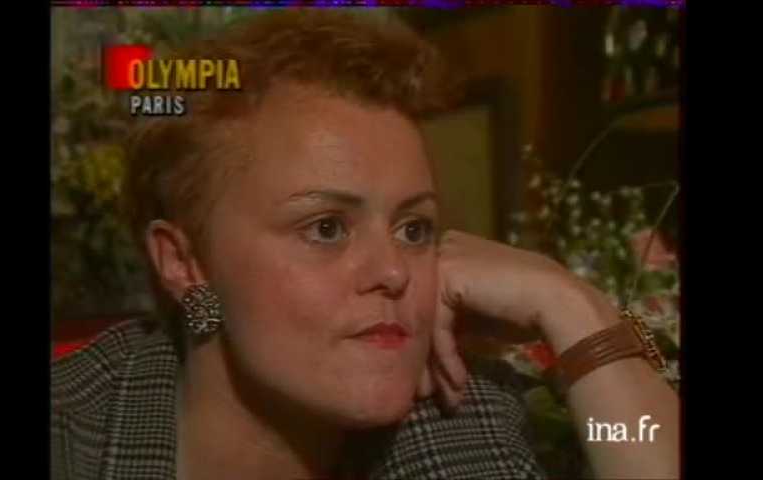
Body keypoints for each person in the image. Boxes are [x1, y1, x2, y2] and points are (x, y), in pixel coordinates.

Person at [51, 9, 679, 480]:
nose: (394, 272)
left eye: (414, 229)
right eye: (327, 228)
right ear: (184, 263)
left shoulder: (463, 412)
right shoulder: (72, 434)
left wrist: (572, 305)